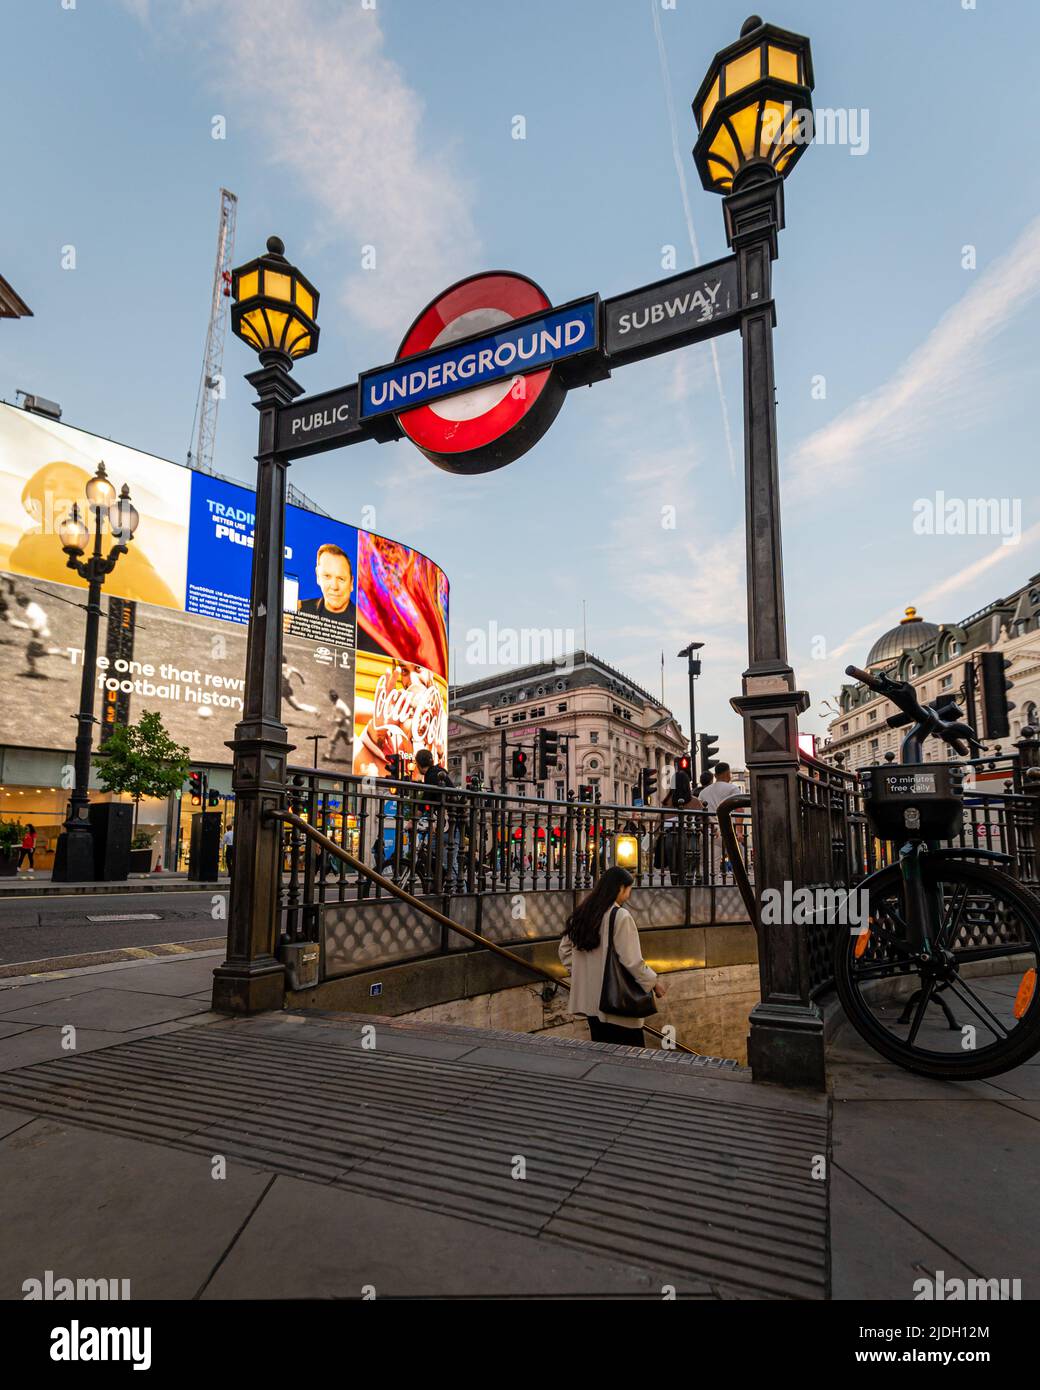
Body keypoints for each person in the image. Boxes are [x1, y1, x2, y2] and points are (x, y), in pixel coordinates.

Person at [558, 866, 665, 1047]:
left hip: (591, 1004)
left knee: (603, 1055)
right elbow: (632, 961)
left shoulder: (583, 912)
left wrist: (584, 973)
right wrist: (654, 983)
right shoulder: (620, 916)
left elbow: (564, 950)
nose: (629, 895)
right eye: (629, 889)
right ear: (620, 888)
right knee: (631, 1060)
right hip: (617, 1005)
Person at [414, 748, 460, 887]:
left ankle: (460, 893)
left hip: (448, 825)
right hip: (446, 823)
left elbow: (425, 801)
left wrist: (413, 821)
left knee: (450, 863)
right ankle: (440, 881)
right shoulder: (438, 772)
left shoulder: (431, 776)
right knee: (434, 850)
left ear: (418, 764)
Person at [297, 544, 356, 635]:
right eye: (327, 576)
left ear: (351, 583)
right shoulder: (300, 610)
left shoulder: (367, 627)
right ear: (318, 576)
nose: (334, 586)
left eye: (341, 579)